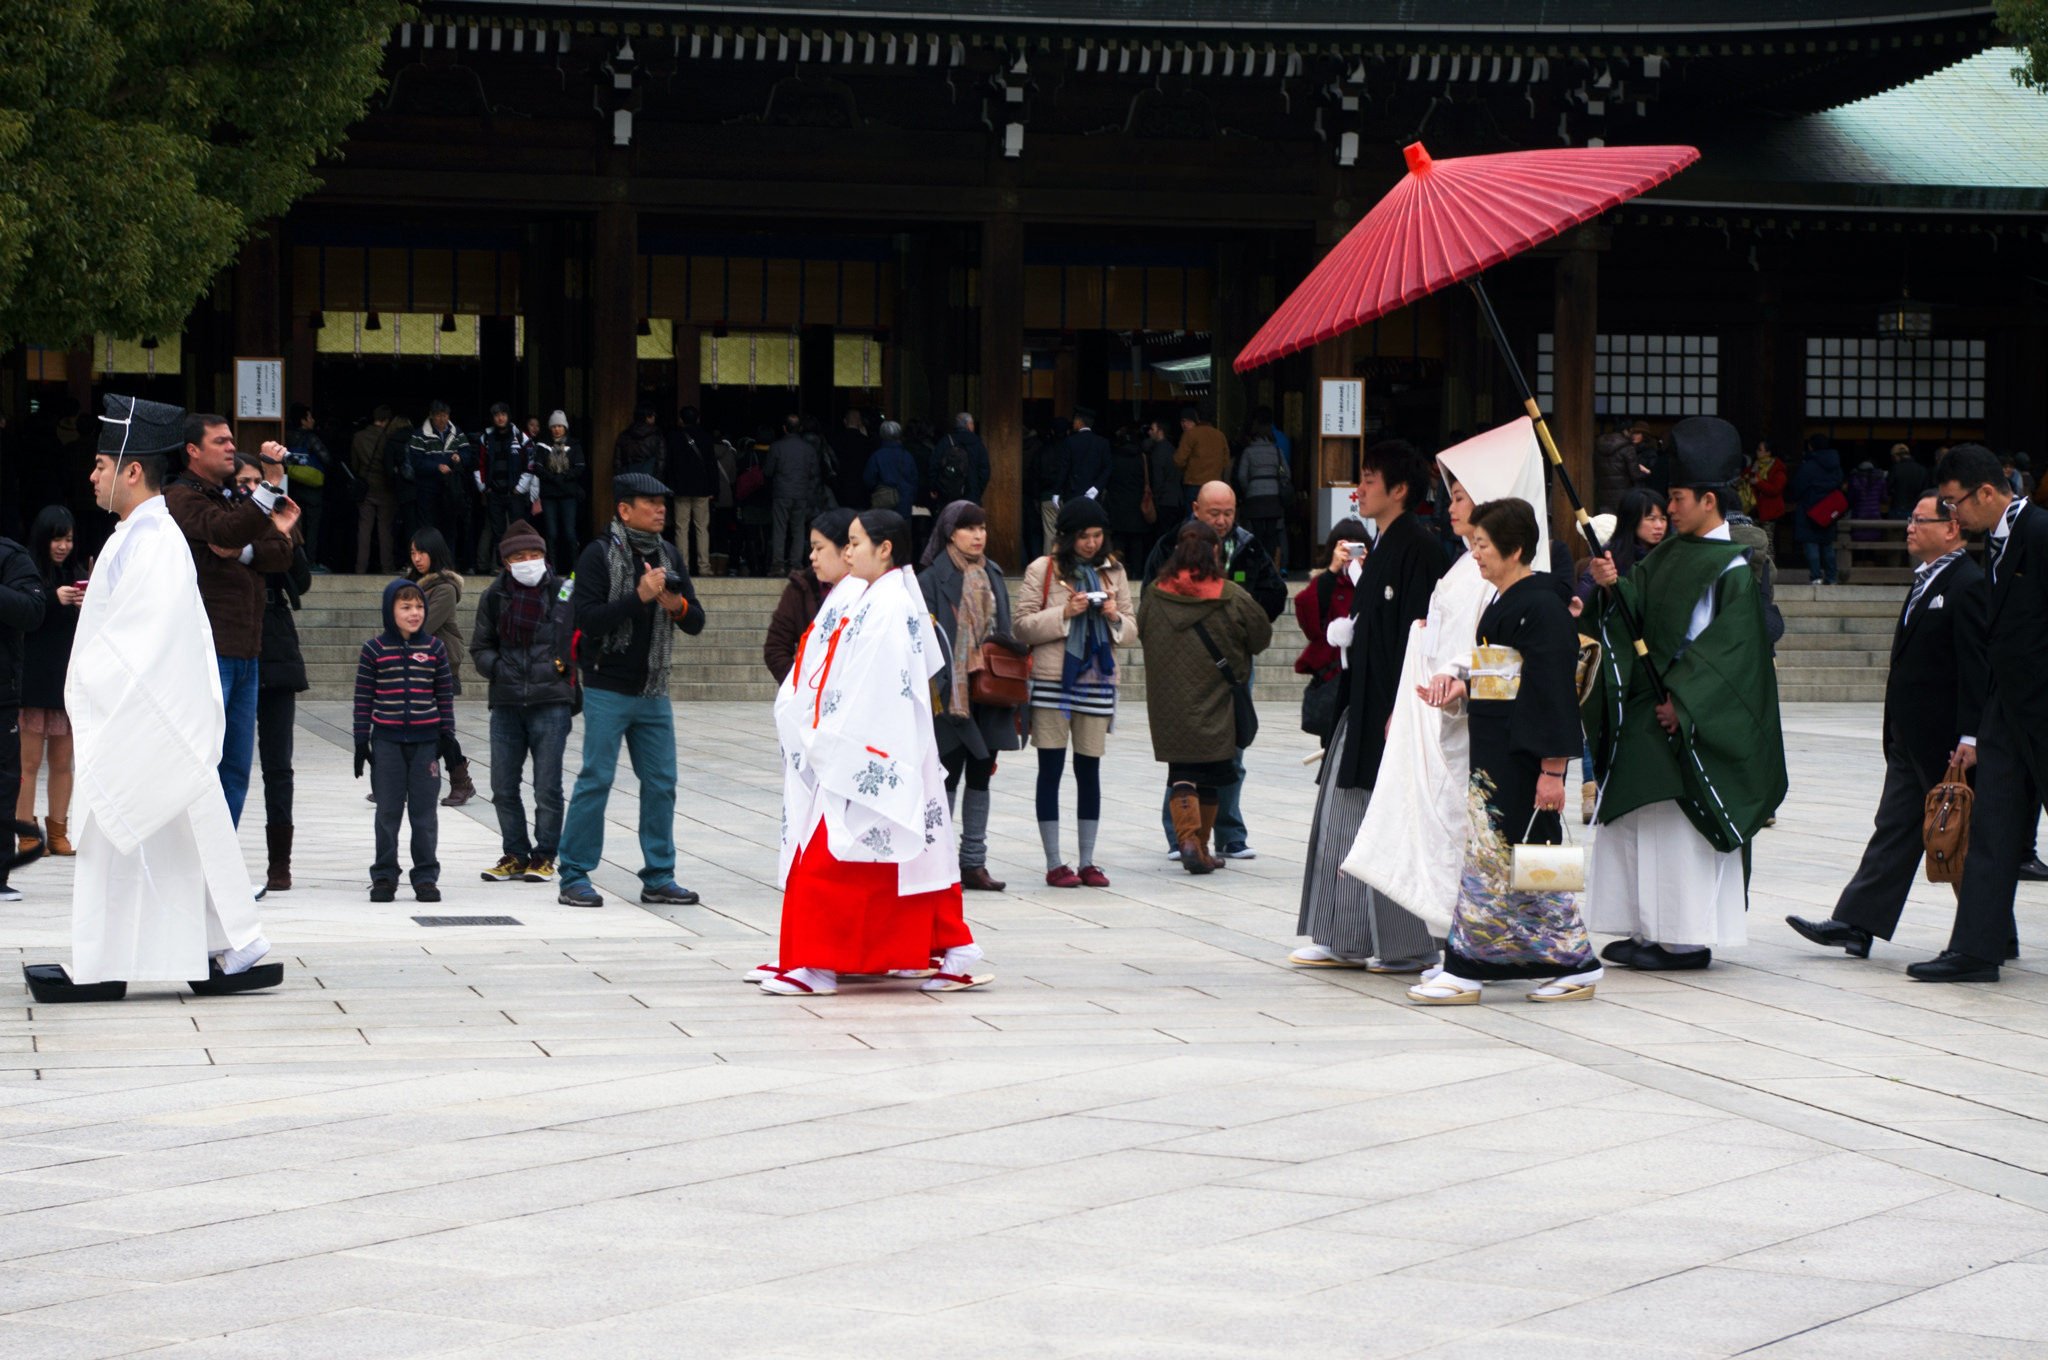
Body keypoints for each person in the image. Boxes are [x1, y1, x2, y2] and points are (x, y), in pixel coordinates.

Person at [47, 394, 274, 998]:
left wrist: (96, 687)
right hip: (140, 714)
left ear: (130, 470)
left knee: (151, 834)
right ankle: (208, 945)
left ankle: (145, 955)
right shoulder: (137, 534)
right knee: (171, 840)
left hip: (146, 715)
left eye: (100, 464)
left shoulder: (154, 537)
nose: (91, 475)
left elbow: (143, 640)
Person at [1321, 420, 1553, 968]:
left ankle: (1490, 957)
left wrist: (1461, 679)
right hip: (1455, 719)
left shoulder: (1517, 589)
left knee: (1493, 844)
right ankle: (1496, 954)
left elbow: (1506, 663)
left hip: (1490, 731)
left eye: (1460, 495)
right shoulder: (1469, 569)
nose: (1450, 506)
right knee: (1470, 842)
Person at [1585, 416, 1787, 972]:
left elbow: (1732, 654)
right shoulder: (1672, 554)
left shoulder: (1735, 569)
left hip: (1688, 715)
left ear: (1707, 500)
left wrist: (1688, 703)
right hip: (1653, 708)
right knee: (1638, 819)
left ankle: (1687, 938)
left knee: (1680, 828)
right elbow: (1638, 612)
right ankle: (1650, 928)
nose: (1667, 509)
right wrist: (1612, 586)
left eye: (1675, 498)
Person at [760, 508, 988, 997]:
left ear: (885, 549)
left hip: (874, 746)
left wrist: (829, 736)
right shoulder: (877, 595)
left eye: (855, 542)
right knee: (911, 860)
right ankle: (943, 948)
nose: (847, 552)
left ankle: (819, 962)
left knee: (835, 857)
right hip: (876, 742)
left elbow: (873, 683)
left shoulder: (888, 603)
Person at [1408, 497, 1601, 1003]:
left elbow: (1553, 692)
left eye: (1484, 546)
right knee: (1519, 862)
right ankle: (1572, 960)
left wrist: (1554, 771)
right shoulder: (1504, 602)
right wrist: (1463, 687)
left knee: (1501, 861)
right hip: (1496, 751)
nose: (1476, 555)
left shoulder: (1541, 606)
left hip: (1523, 756)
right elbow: (1502, 680)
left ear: (1515, 549)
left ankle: (1468, 965)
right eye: (1474, 544)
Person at [1786, 492, 1984, 960]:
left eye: (1920, 520)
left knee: (1960, 838)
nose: (1909, 527)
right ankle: (1857, 922)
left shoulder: (1968, 583)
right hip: (1908, 736)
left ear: (1952, 528)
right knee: (1895, 827)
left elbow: (1978, 668)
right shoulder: (1924, 581)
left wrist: (1971, 735)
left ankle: (1990, 933)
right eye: (1909, 519)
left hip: (1945, 741)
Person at [1295, 439, 1450, 969]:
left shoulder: (1422, 548)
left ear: (1399, 489)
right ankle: (1345, 936)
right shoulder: (1382, 544)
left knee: (1389, 821)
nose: (1357, 490)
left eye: (1367, 478)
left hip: (1393, 707)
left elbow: (1423, 638)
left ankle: (1406, 945)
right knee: (1345, 817)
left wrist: (1403, 708)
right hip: (1361, 705)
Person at [1907, 445, 2048, 983]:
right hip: (2006, 714)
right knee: (1993, 831)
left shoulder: (2039, 531)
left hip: (2040, 711)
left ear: (1986, 492)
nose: (1952, 517)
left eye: (1954, 503)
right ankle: (1976, 949)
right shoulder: (1992, 543)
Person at [558, 472, 706, 909]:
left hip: (654, 690)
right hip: (607, 686)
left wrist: (675, 606)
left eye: (663, 502)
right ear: (624, 509)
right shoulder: (598, 555)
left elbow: (696, 620)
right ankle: (574, 874)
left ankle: (659, 876)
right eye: (650, 502)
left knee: (662, 783)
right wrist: (638, 597)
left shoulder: (670, 556)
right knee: (596, 780)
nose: (661, 509)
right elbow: (587, 620)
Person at [164, 413, 300, 828]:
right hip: (208, 652)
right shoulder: (181, 497)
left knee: (235, 771)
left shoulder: (228, 498)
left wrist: (244, 550)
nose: (230, 447)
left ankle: (218, 872)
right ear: (193, 450)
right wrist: (270, 489)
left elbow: (281, 553)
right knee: (200, 766)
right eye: (220, 441)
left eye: (231, 440)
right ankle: (193, 871)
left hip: (247, 651)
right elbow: (225, 532)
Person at [1142, 481, 1286, 860]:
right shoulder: (1224, 590)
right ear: (1195, 509)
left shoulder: (1247, 546)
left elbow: (1143, 625)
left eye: (1228, 513)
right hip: (1221, 679)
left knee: (1186, 764)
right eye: (1214, 514)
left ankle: (1203, 839)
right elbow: (1260, 635)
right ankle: (1192, 841)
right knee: (1217, 759)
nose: (1222, 521)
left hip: (1176, 685)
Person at [1014, 497, 1133, 889]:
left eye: (1098, 535)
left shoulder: (1114, 571)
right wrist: (1064, 614)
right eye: (1083, 536)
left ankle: (1087, 861)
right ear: (1066, 536)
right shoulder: (1043, 569)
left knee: (1089, 770)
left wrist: (1114, 616)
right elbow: (1023, 627)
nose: (1091, 543)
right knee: (1050, 770)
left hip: (1097, 679)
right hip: (1052, 682)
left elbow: (1132, 629)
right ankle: (1054, 863)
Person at [918, 499, 1023, 892]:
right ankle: (939, 862)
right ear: (950, 532)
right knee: (946, 775)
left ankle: (973, 862)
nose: (978, 535)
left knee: (981, 776)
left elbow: (1006, 629)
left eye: (982, 528)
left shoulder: (992, 572)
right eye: (969, 528)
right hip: (950, 694)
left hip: (989, 691)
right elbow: (924, 641)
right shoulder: (930, 579)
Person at [470, 519, 576, 886]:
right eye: (520, 556)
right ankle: (515, 853)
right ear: (506, 562)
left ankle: (545, 855)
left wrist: (565, 670)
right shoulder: (494, 596)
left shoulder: (562, 592)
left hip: (552, 702)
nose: (529, 561)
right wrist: (499, 669)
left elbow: (581, 638)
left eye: (535, 555)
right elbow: (480, 647)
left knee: (547, 786)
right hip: (506, 703)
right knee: (502, 785)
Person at [232, 456, 313, 894]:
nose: (249, 489)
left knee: (278, 766)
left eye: (255, 482)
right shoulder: (224, 526)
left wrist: (283, 536)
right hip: (232, 649)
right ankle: (221, 857)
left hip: (276, 652)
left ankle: (279, 864)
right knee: (229, 762)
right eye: (242, 483)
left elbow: (300, 583)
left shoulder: (280, 525)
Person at [352, 578, 455, 902]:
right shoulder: (374, 650)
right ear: (389, 610)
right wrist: (360, 741)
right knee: (387, 813)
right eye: (405, 606)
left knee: (424, 815)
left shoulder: (435, 649)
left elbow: (445, 696)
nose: (414, 612)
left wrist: (446, 738)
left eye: (419, 606)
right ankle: (384, 876)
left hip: (425, 745)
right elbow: (363, 698)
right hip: (387, 744)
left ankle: (425, 876)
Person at [18, 507, 80, 861]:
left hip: (65, 681)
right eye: (57, 538)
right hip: (32, 681)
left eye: (69, 539)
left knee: (62, 762)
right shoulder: (25, 571)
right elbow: (22, 611)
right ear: (43, 538)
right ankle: (26, 832)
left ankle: (58, 830)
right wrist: (52, 598)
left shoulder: (75, 572)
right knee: (27, 763)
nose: (63, 546)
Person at [406, 528, 474, 808]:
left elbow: (421, 625)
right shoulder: (411, 583)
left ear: (435, 552)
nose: (417, 558)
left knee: (440, 729)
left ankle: (461, 782)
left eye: (421, 552)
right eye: (412, 552)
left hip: (440, 665)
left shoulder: (444, 587)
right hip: (412, 663)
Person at [1294, 519, 1368, 750]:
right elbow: (1311, 620)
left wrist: (1365, 572)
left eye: (1358, 548)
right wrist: (1334, 569)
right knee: (1333, 749)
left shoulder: (1373, 580)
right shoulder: (1325, 582)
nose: (1351, 555)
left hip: (1366, 676)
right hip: (1334, 678)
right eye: (1346, 548)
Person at [764, 509, 855, 683]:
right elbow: (776, 648)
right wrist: (802, 689)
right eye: (812, 548)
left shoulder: (872, 591)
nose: (812, 556)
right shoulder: (800, 588)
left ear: (846, 550)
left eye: (819, 548)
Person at [474, 401, 535, 570]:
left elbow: (529, 465)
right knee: (497, 531)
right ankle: (501, 565)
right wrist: (484, 487)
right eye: (496, 415)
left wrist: (520, 488)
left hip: (514, 493)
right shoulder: (486, 438)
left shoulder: (521, 437)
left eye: (503, 414)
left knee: (516, 530)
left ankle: (518, 563)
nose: (500, 418)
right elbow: (479, 464)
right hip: (494, 492)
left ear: (508, 416)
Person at [408, 400, 470, 567]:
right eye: (438, 416)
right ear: (431, 415)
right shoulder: (420, 435)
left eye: (445, 415)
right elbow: (416, 462)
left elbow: (468, 452)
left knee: (450, 528)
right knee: (427, 528)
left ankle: (448, 565)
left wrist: (460, 457)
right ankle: (426, 565)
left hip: (450, 489)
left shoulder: (456, 432)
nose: (442, 419)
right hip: (428, 489)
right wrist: (436, 467)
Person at [1232, 419, 1293, 573]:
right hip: (1273, 497)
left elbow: (1241, 476)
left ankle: (1257, 567)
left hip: (1254, 498)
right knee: (1272, 534)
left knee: (1256, 533)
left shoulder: (1248, 452)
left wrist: (1249, 490)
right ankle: (1270, 567)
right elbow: (1287, 474)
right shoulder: (1276, 451)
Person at [353, 405, 407, 576]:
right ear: (386, 420)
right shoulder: (388, 438)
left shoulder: (358, 437)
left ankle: (360, 567)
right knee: (385, 529)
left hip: (366, 488)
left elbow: (354, 465)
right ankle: (387, 567)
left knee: (364, 529)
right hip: (385, 488)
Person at [666, 406, 718, 575]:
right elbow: (712, 466)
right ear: (698, 419)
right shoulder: (706, 437)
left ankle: (684, 567)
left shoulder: (673, 438)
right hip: (702, 489)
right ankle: (704, 566)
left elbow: (669, 466)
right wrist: (713, 489)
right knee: (702, 528)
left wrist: (670, 487)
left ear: (681, 420)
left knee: (681, 528)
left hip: (681, 489)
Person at [532, 411, 585, 573]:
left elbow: (580, 467)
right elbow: (538, 467)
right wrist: (552, 477)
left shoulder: (574, 445)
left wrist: (564, 476)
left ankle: (574, 569)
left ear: (565, 427)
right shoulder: (543, 445)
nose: (557, 429)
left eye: (560, 426)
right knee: (551, 533)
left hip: (568, 495)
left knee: (569, 533)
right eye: (554, 426)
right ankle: (552, 568)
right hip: (549, 495)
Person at [766, 415, 820, 574]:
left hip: (781, 492)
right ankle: (796, 564)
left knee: (780, 529)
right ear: (800, 429)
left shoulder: (777, 447)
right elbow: (814, 473)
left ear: (784, 428)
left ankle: (778, 565)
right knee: (798, 529)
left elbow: (768, 471)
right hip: (801, 493)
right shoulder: (808, 449)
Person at [282, 403, 331, 573]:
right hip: (312, 489)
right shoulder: (311, 438)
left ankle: (296, 561)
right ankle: (310, 562)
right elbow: (326, 458)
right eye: (310, 417)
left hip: (294, 486)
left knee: (294, 525)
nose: (313, 420)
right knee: (312, 527)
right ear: (303, 420)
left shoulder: (286, 436)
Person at [1790, 436, 1845, 585]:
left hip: (1809, 509)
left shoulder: (1808, 466)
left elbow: (1797, 488)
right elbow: (1839, 483)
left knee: (1811, 544)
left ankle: (1816, 576)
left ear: (1811, 447)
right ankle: (1832, 577)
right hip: (1829, 509)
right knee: (1827, 544)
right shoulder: (1835, 465)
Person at [1104, 430, 1152, 566]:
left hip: (1117, 504)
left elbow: (1108, 480)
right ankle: (1137, 572)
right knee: (1137, 541)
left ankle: (1119, 570)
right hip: (1137, 505)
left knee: (1118, 540)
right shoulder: (1142, 458)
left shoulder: (1113, 458)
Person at [1051, 407, 1112, 508]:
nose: (1073, 423)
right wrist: (1096, 488)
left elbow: (1064, 468)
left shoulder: (1070, 441)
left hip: (1073, 493)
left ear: (1080, 421)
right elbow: (1108, 468)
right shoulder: (1103, 443)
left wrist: (1056, 491)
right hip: (1094, 495)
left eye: (1074, 420)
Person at [1143, 418, 1185, 561]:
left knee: (1162, 539)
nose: (1149, 432)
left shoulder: (1158, 452)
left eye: (1152, 429)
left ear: (1160, 432)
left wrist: (1155, 499)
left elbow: (1158, 479)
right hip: (1176, 499)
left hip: (1165, 501)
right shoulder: (1172, 449)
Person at [1174, 404, 1230, 505]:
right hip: (1214, 484)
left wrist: (1187, 472)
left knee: (1194, 517)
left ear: (1197, 417)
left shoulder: (1190, 434)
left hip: (1193, 484)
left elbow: (1179, 460)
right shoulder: (1220, 435)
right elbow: (1225, 462)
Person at [932, 413, 990, 507]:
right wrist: (977, 490)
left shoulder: (945, 442)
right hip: (971, 493)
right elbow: (984, 470)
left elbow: (934, 465)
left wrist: (935, 487)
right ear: (969, 425)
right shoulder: (978, 444)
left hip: (948, 494)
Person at [864, 420, 919, 513]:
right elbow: (914, 480)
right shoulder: (907, 456)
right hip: (904, 502)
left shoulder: (877, 456)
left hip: (883, 502)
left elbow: (868, 479)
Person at [614, 403, 664, 483]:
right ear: (647, 417)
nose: (654, 418)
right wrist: (657, 480)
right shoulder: (656, 436)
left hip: (628, 478)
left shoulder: (624, 435)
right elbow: (661, 461)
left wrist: (620, 479)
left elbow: (617, 462)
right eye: (653, 415)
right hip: (649, 479)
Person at [1885, 443, 1928, 520]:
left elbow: (1888, 487)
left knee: (1895, 530)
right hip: (1915, 508)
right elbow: (1925, 490)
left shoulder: (1895, 469)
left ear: (1896, 456)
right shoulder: (1921, 469)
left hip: (1897, 508)